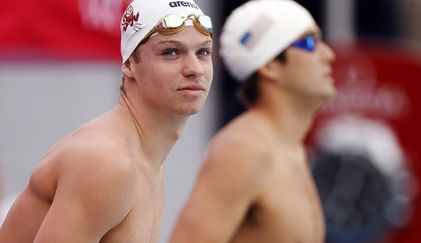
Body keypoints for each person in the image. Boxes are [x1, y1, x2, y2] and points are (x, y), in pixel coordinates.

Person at [0, 0, 213, 242]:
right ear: (129, 64)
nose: (195, 68)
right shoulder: (108, 163)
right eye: (171, 52)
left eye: (203, 52)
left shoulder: (146, 158)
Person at [170, 0, 335, 242]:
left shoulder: (291, 150)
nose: (329, 54)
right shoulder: (244, 150)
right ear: (269, 64)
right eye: (310, 43)